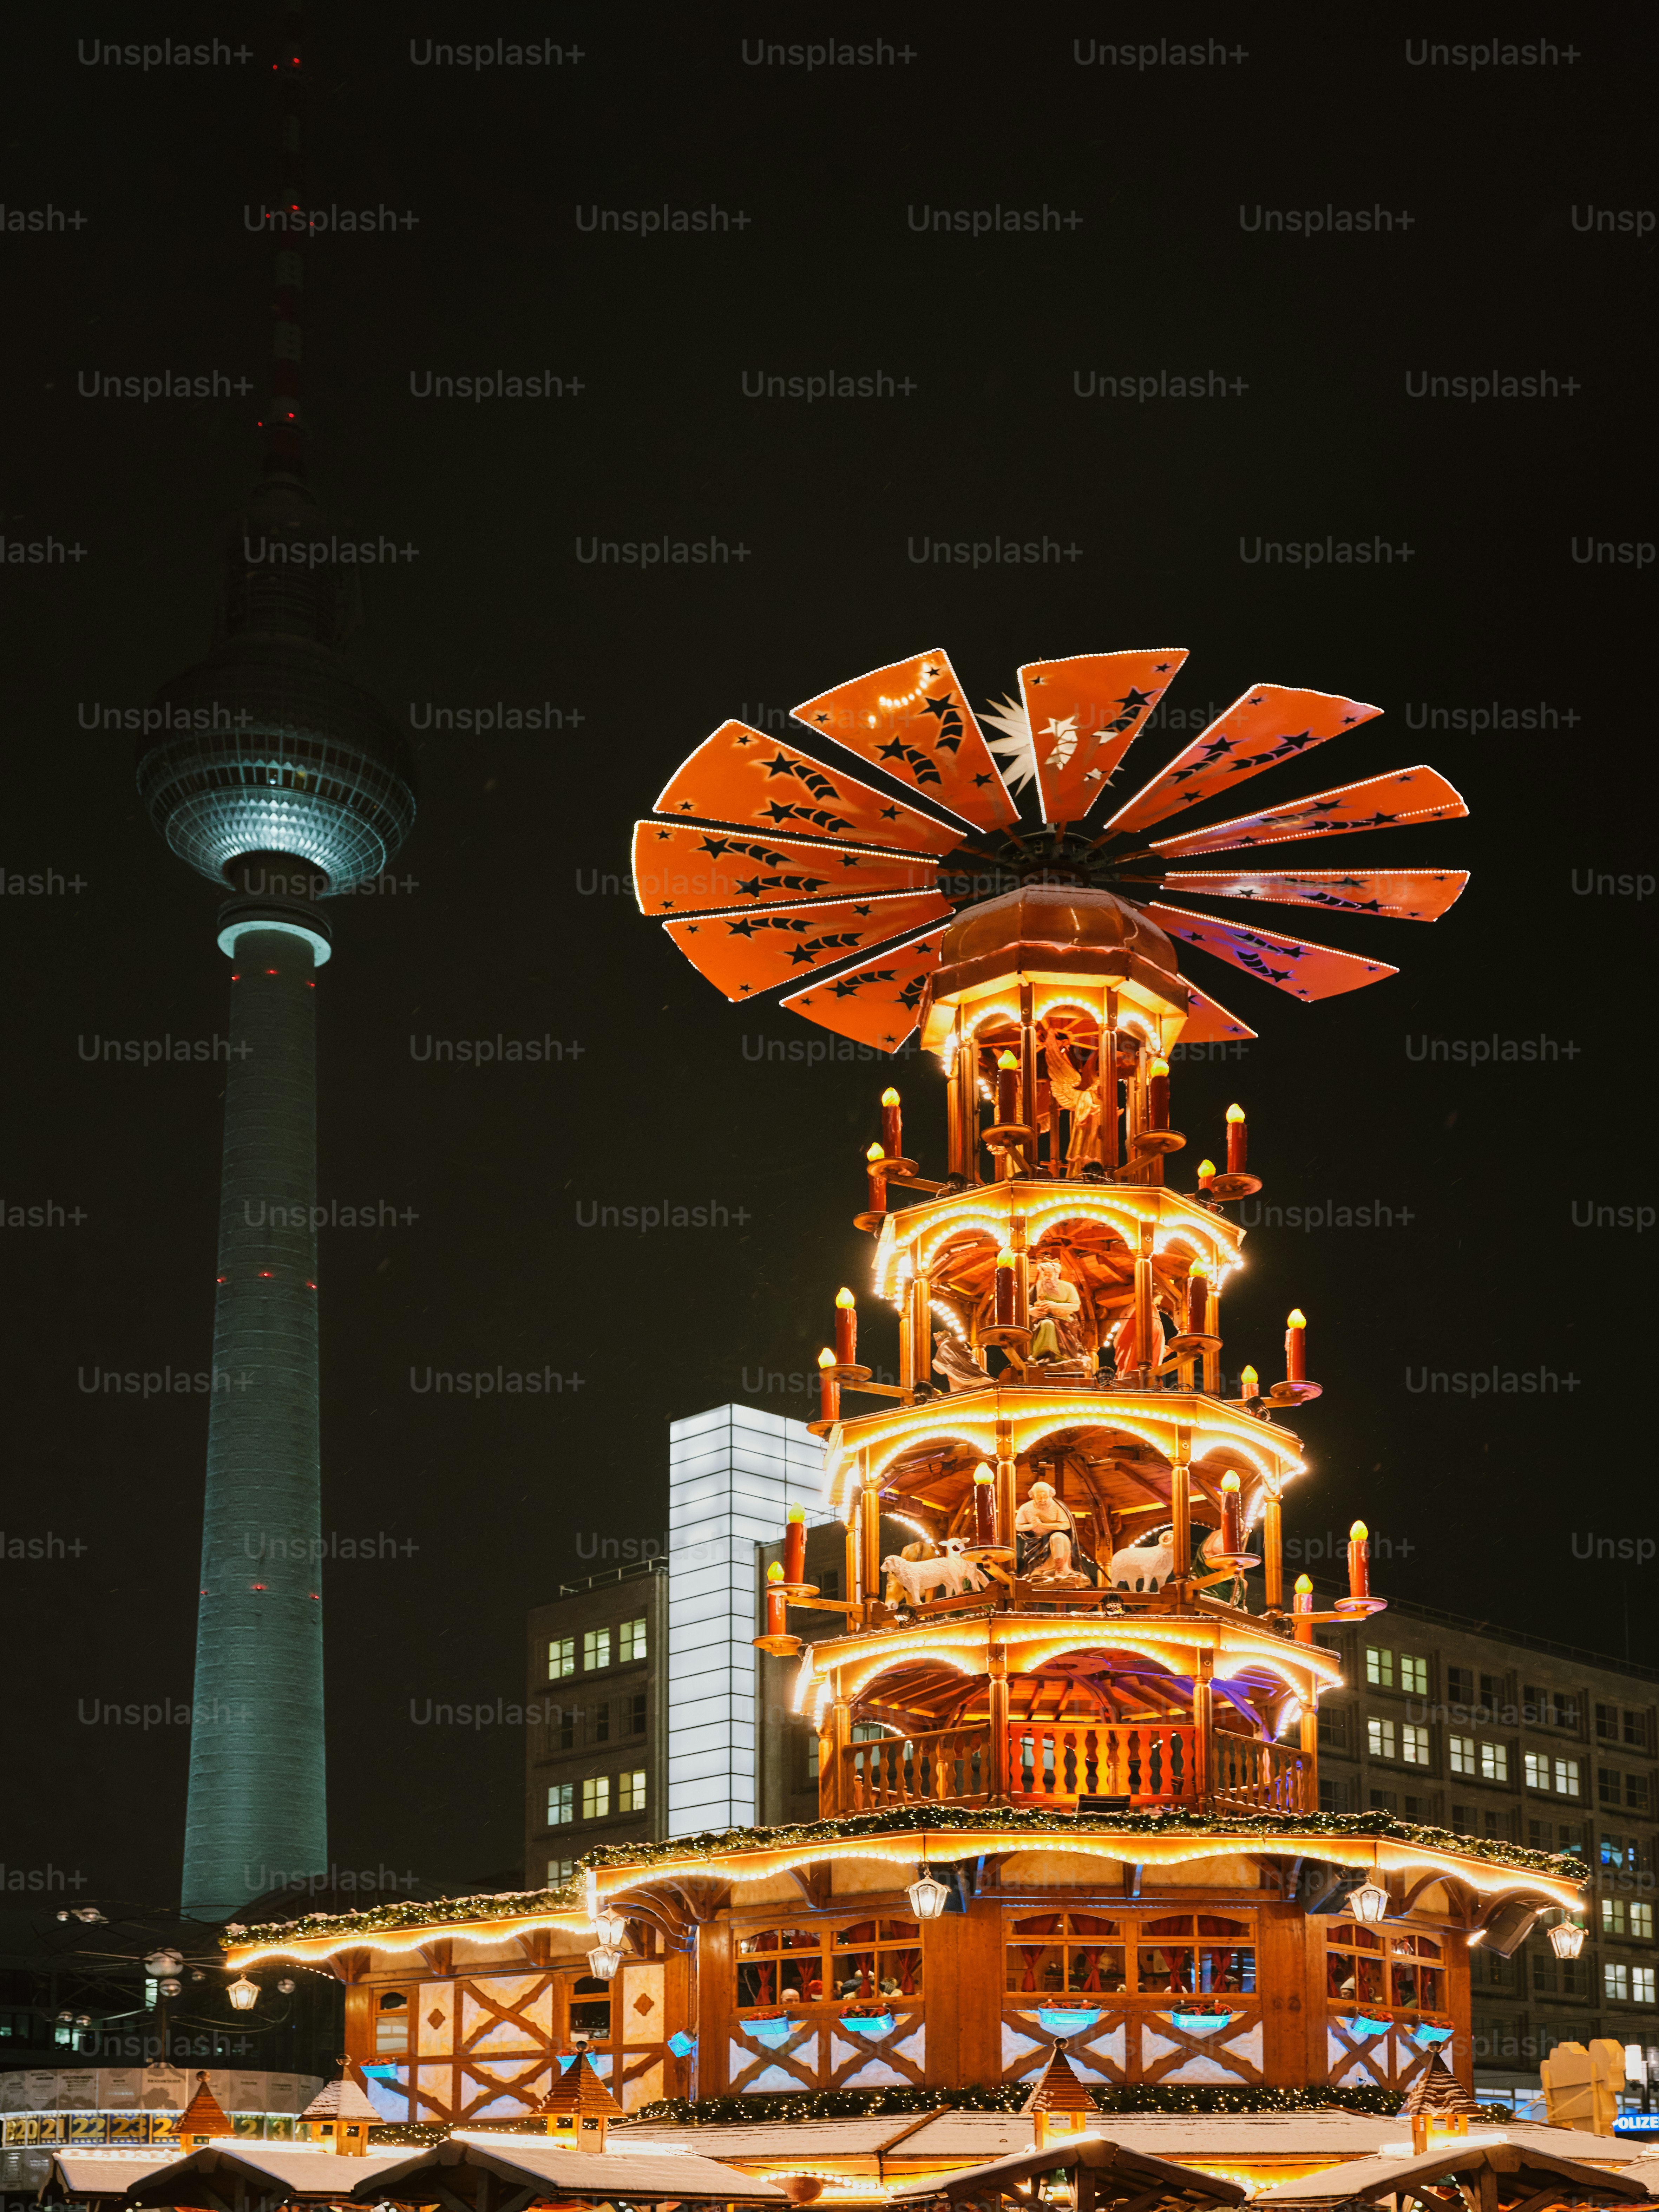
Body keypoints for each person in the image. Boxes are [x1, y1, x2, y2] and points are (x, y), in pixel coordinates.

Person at [1014, 1478, 1097, 1584]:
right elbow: (1018, 1527)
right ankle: (1040, 1571)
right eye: (1039, 1497)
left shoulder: (1056, 1506)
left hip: (1059, 1539)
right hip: (1036, 1542)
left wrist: (1043, 1525)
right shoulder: (1026, 1508)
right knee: (1036, 1569)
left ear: (1051, 1495)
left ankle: (1060, 1570)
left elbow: (1066, 1525)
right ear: (1033, 1496)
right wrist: (1032, 1526)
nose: (1043, 1500)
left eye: (1046, 1497)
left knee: (1057, 1538)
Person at [1028, 1257, 1084, 1361]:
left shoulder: (1068, 1287)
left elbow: (1076, 1306)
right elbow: (1026, 1305)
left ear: (1057, 1274)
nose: (1046, 1277)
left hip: (1066, 1321)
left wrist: (1055, 1305)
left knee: (1049, 1324)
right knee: (1047, 1324)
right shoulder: (1038, 1287)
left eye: (1050, 1274)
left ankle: (1057, 1356)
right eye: (1044, 1274)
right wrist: (1031, 1311)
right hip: (1042, 1318)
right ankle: (1042, 1355)